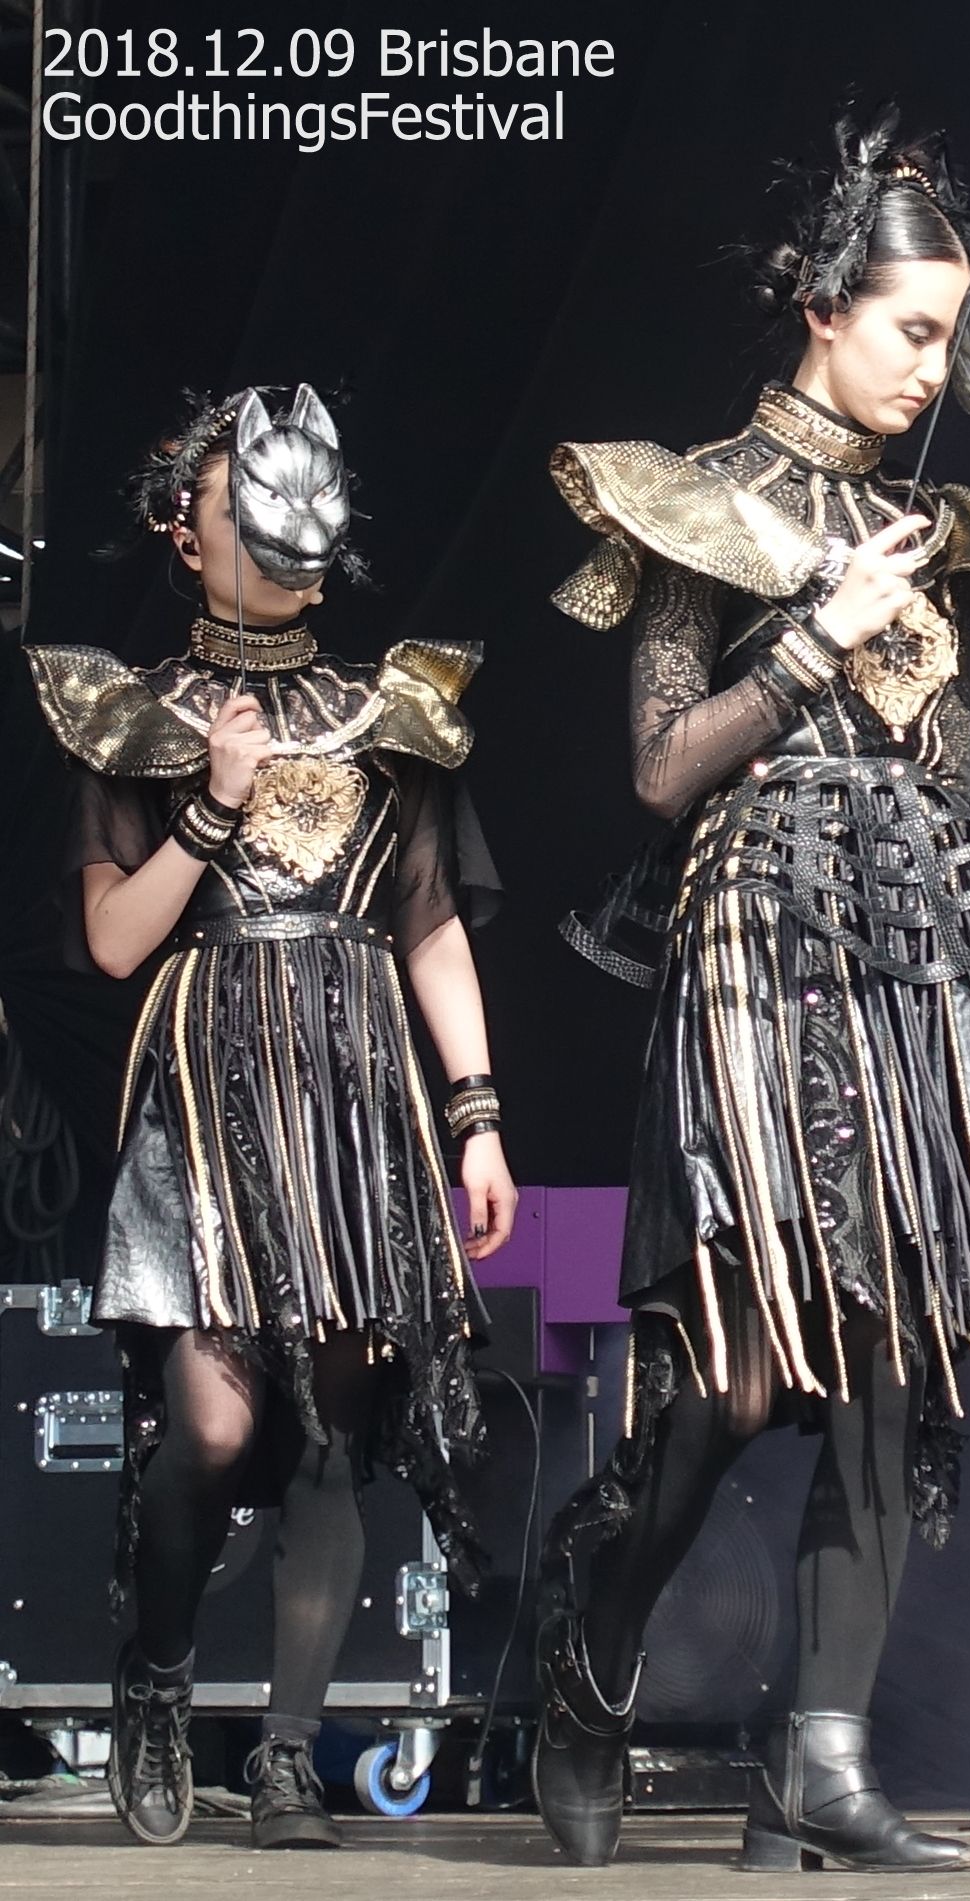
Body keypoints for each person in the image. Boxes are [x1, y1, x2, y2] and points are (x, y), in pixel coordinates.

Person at [533, 114, 970, 1874]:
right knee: (726, 1380)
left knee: (893, 1340)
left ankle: (817, 1759)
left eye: (947, 339)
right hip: (750, 942)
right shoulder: (692, 499)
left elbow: (941, 769)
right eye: (911, 331)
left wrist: (916, 678)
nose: (930, 371)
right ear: (818, 308)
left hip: (905, 948)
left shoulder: (931, 531)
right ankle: (594, 1650)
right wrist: (813, 639)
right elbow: (659, 776)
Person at [25, 386, 517, 1851]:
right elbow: (116, 943)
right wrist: (213, 807)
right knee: (212, 1417)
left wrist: (478, 1116)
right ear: (190, 531)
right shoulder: (137, 713)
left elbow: (430, 928)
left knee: (325, 1423)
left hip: (358, 1079)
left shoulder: (392, 710)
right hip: (212, 1073)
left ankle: (292, 1753)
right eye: (246, 498)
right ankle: (162, 1678)